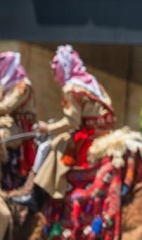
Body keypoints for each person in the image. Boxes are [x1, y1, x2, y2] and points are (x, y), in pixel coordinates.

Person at [13, 45, 117, 211]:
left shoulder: (71, 88)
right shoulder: (91, 82)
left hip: (88, 135)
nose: (54, 75)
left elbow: (72, 122)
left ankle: (36, 195)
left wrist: (48, 127)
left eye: (56, 70)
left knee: (49, 146)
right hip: (104, 132)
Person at [0, 51, 37, 189]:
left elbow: (6, 107)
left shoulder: (22, 86)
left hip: (20, 128)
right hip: (9, 124)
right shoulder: (8, 85)